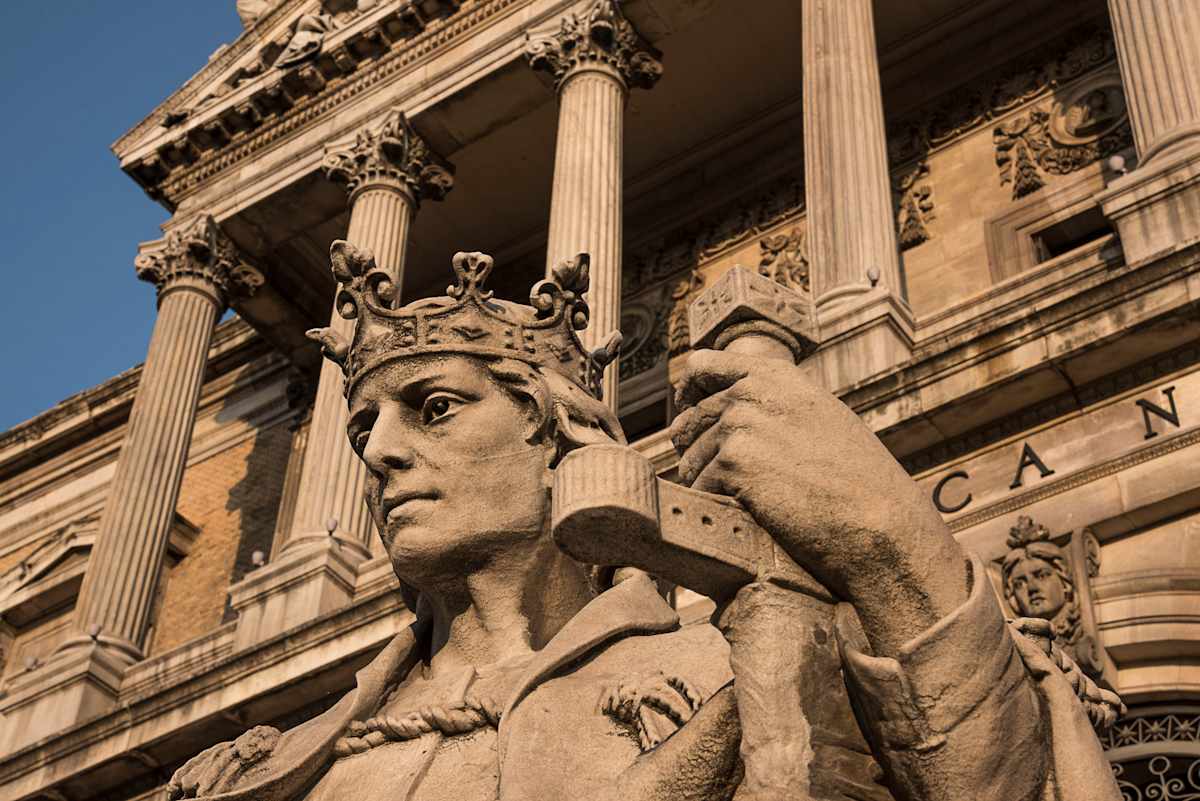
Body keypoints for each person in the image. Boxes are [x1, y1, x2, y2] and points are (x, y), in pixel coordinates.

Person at [168, 242, 1123, 801]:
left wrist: (888, 547)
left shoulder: (744, 655)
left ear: (556, 429)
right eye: (362, 428)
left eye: (435, 406)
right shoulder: (273, 768)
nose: (378, 453)